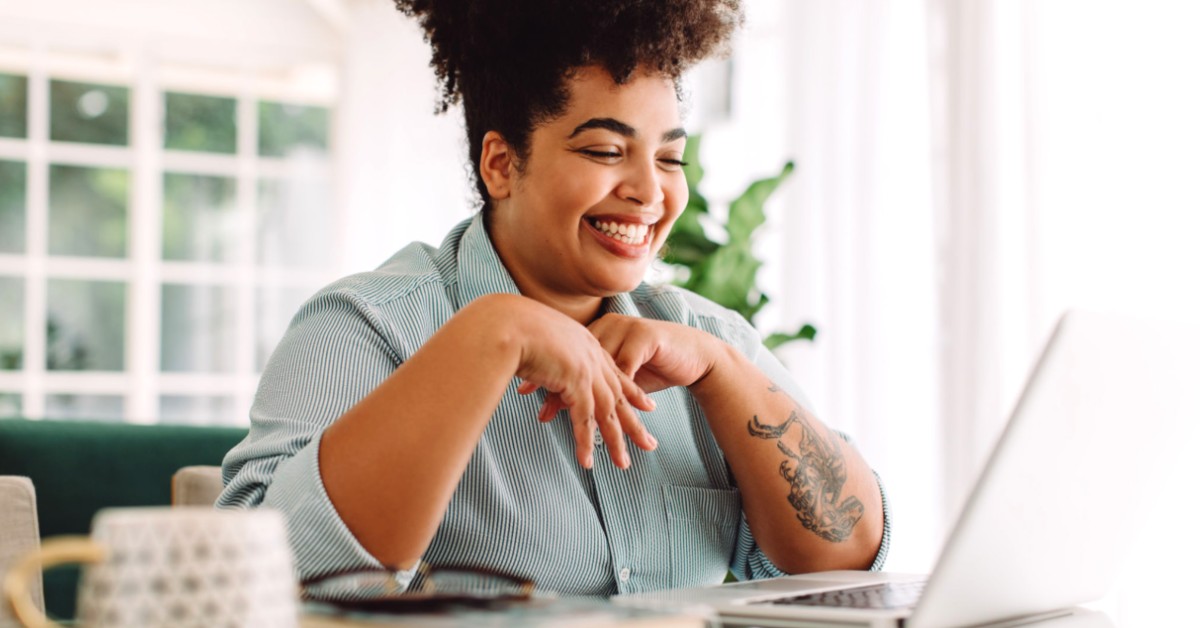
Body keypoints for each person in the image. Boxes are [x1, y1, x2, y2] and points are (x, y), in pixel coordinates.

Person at [219, 0, 889, 597]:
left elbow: (847, 565)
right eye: (605, 150)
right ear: (501, 165)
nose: (650, 193)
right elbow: (255, 581)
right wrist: (492, 335)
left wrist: (724, 376)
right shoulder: (364, 327)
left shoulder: (708, 343)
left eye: (669, 159)